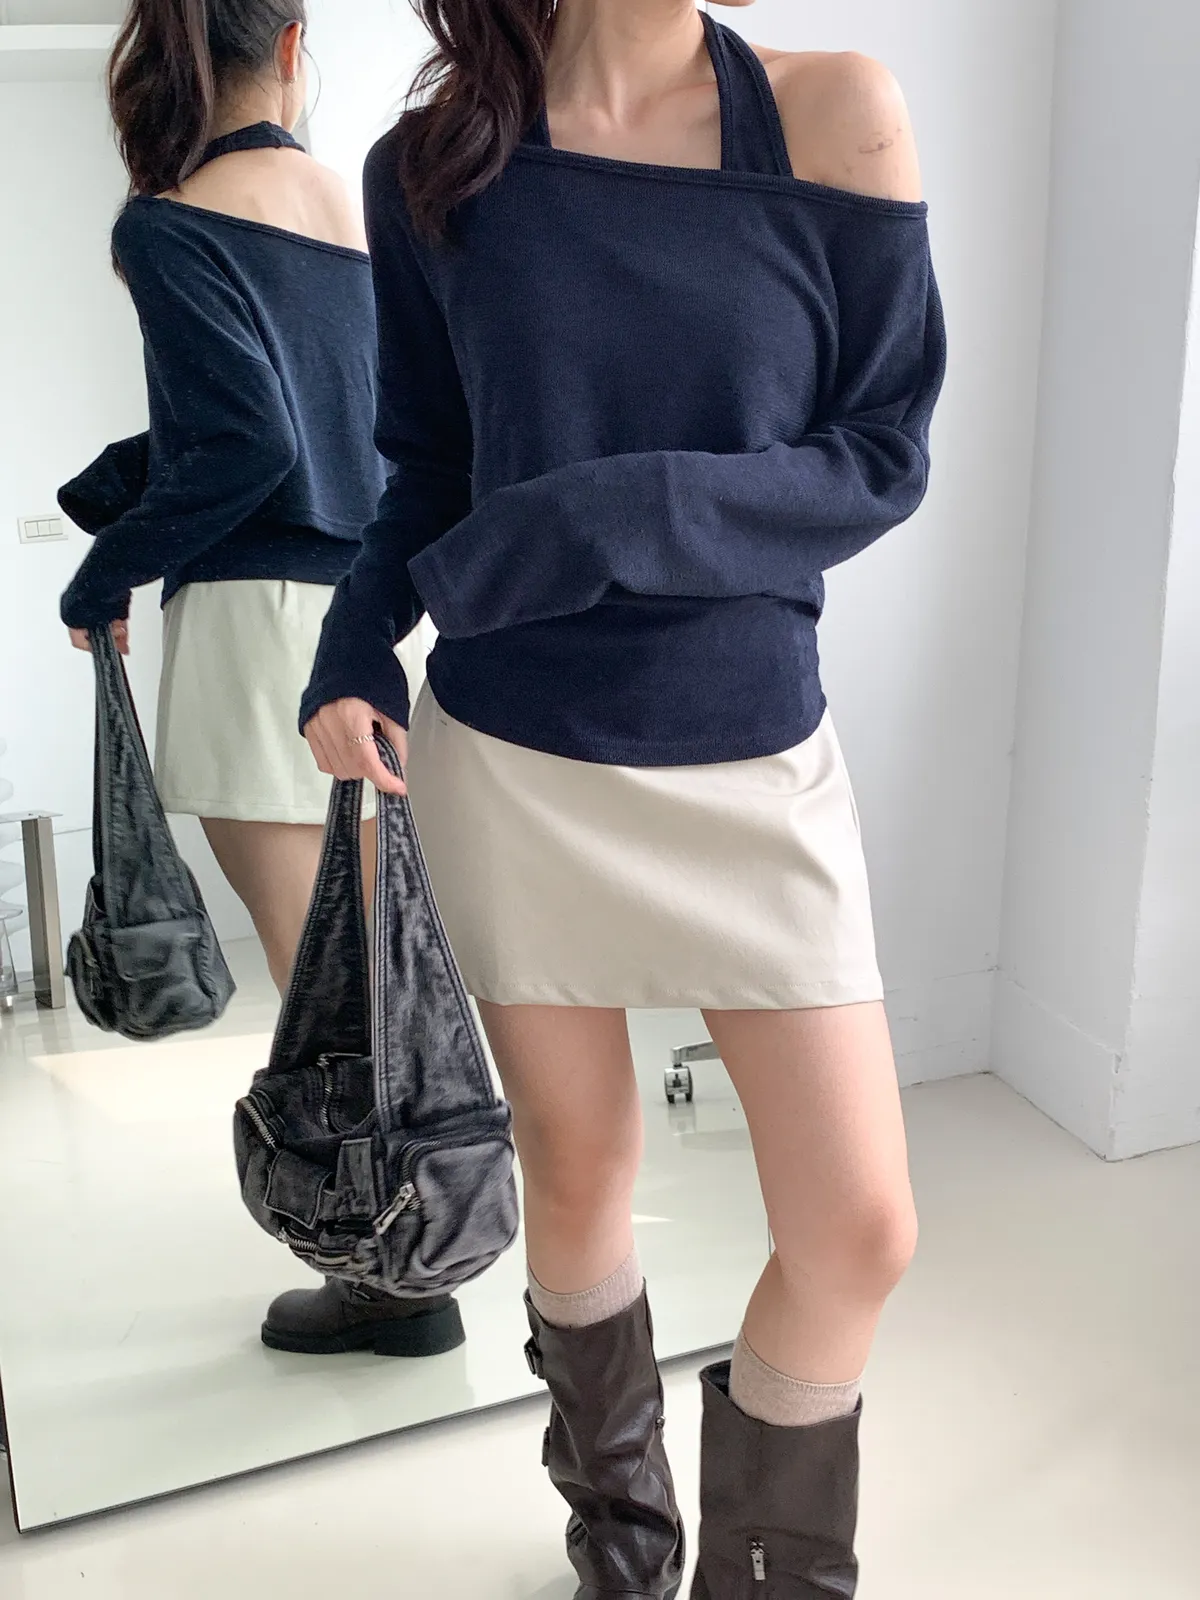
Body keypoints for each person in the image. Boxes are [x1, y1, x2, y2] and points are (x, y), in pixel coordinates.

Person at [304, 0, 945, 1591]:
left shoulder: (832, 109)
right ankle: (623, 1542)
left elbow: (881, 452)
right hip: (516, 755)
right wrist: (353, 640)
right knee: (579, 1167)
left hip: (750, 747)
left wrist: (615, 514)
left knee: (860, 1229)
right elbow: (426, 467)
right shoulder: (429, 162)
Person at [59, 0, 458, 1363]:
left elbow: (245, 447)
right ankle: (429, 1240)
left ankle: (392, 1282)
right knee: (386, 963)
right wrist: (122, 486)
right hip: (370, 620)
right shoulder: (357, 208)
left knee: (318, 984)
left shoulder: (167, 224)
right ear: (291, 48)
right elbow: (341, 423)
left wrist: (103, 569)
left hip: (252, 626)